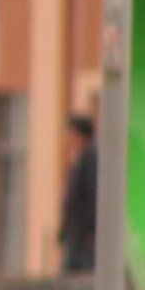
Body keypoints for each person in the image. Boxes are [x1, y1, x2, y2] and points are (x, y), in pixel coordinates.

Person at [58, 113, 97, 273]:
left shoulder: (90, 160)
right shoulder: (79, 159)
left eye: (70, 134)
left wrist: (90, 231)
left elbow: (93, 197)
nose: (67, 139)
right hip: (74, 235)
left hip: (83, 237)